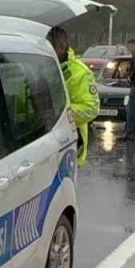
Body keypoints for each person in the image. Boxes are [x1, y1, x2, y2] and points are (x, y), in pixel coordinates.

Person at [47, 26, 98, 165]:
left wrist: (57, 113)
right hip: (42, 141)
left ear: (62, 46)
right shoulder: (40, 66)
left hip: (68, 144)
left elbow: (91, 108)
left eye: (50, 47)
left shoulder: (80, 72)